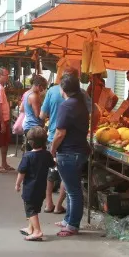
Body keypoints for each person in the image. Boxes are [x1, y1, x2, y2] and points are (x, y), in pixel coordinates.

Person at [51, 73, 90, 237]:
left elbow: (60, 133)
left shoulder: (66, 106)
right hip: (79, 150)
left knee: (73, 191)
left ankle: (72, 225)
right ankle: (68, 220)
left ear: (63, 89)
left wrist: (52, 149)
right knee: (71, 188)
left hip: (69, 152)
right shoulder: (80, 103)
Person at [40, 69, 76, 215]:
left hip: (52, 137)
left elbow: (42, 115)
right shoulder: (80, 94)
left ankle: (49, 203)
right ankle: (58, 205)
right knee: (64, 175)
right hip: (70, 140)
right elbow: (95, 112)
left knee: (51, 171)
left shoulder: (52, 91)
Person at [16, 126, 56, 242]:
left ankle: (37, 231)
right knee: (36, 207)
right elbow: (52, 165)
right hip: (41, 188)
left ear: (29, 142)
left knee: (31, 210)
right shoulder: (46, 154)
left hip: (30, 188)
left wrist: (17, 184)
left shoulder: (27, 156)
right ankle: (30, 228)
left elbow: (21, 173)